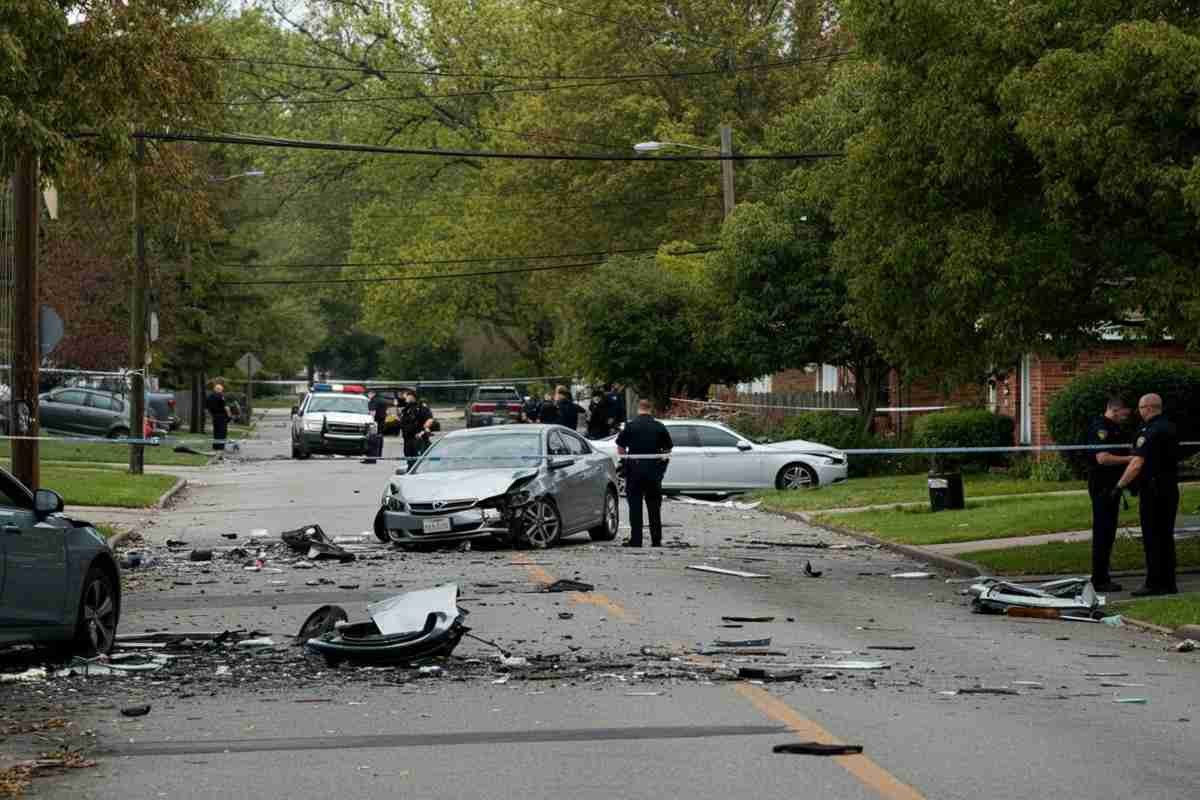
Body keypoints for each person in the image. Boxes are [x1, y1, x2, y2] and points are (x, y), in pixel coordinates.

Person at [1115, 393, 1180, 597]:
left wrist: (1120, 485)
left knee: (1152, 537)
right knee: (1166, 537)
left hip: (1153, 490)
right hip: (1169, 489)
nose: (1140, 412)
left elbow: (1137, 463)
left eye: (1141, 408)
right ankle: (1169, 582)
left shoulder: (1150, 431)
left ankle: (1153, 583)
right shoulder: (1170, 427)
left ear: (1149, 408)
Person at [1086, 398, 1132, 592]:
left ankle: (1102, 575)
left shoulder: (1113, 427)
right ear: (1115, 410)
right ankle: (1099, 578)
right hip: (1103, 487)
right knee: (1103, 532)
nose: (1126, 417)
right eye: (1125, 413)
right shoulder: (1102, 428)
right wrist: (1131, 459)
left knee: (1108, 532)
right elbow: (1103, 458)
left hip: (1111, 486)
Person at [615, 398, 673, 547]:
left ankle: (636, 540)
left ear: (638, 409)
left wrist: (625, 461)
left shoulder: (630, 426)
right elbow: (667, 450)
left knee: (635, 506)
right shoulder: (659, 426)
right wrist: (661, 466)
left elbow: (620, 447)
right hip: (653, 471)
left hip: (634, 470)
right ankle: (656, 540)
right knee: (654, 506)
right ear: (650, 409)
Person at [399, 390, 433, 467]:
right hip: (407, 438)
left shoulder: (421, 407)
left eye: (406, 396)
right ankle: (410, 469)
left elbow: (429, 419)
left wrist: (424, 429)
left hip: (417, 437)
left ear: (411, 397)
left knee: (419, 459)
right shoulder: (407, 408)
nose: (405, 398)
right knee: (409, 457)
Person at [206, 382, 231, 451]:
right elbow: (226, 407)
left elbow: (207, 407)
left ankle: (215, 446)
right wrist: (229, 416)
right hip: (222, 416)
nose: (222, 391)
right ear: (219, 390)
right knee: (222, 432)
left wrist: (211, 414)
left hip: (214, 416)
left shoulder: (209, 396)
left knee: (216, 432)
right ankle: (221, 447)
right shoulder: (220, 396)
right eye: (221, 390)